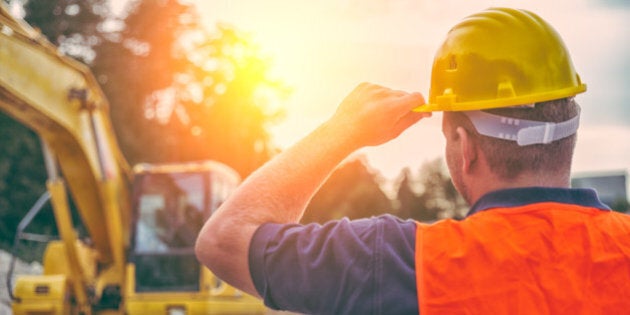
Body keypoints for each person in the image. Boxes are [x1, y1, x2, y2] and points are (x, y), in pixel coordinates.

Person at [195, 7, 630, 314]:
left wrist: (341, 132)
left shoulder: (400, 262)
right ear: (570, 127)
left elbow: (223, 241)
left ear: (464, 146)